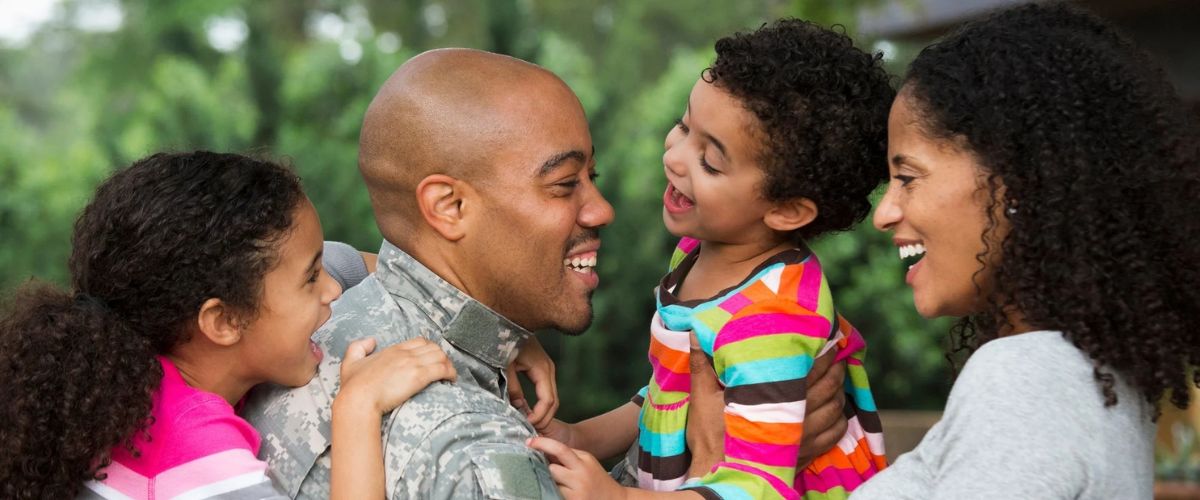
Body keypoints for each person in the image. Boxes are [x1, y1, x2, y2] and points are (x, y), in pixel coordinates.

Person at [528, 19, 894, 499]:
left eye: (711, 162)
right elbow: (665, 395)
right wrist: (580, 438)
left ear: (785, 210)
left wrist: (617, 497)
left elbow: (754, 488)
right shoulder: (699, 252)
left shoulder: (771, 323)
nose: (676, 157)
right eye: (684, 126)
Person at [848, 3, 1200, 497]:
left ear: (1018, 183)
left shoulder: (1024, 380)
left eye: (907, 178)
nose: (883, 213)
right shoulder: (1088, 376)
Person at [0, 151, 460, 499]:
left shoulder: (144, 371)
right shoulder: (199, 461)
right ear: (222, 320)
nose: (332, 291)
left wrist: (474, 316)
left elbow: (341, 260)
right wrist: (359, 406)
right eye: (310, 279)